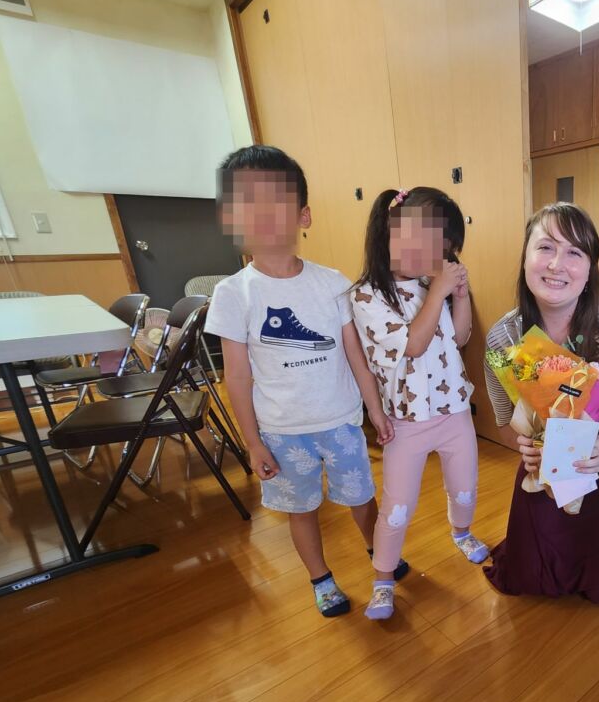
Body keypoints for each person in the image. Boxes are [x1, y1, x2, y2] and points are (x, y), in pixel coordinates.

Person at [206, 145, 402, 618]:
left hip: (340, 421)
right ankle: (321, 579)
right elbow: (237, 376)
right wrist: (252, 442)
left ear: (303, 215)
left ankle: (379, 554)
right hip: (282, 430)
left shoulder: (332, 283)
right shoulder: (233, 293)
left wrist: (375, 410)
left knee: (362, 498)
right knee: (302, 509)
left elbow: (356, 356)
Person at [483, 203, 599, 602]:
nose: (557, 265)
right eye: (545, 247)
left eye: (574, 252)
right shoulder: (503, 339)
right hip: (548, 468)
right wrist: (527, 448)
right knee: (530, 573)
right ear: (525, 256)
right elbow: (503, 420)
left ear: (590, 269)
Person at [351, 187, 487, 621]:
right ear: (389, 231)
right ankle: (383, 577)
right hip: (406, 421)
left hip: (454, 411)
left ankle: (461, 532)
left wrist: (459, 295)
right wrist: (439, 292)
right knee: (397, 507)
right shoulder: (367, 295)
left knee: (465, 487)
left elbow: (460, 337)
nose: (431, 253)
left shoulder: (433, 285)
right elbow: (412, 345)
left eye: (440, 245)